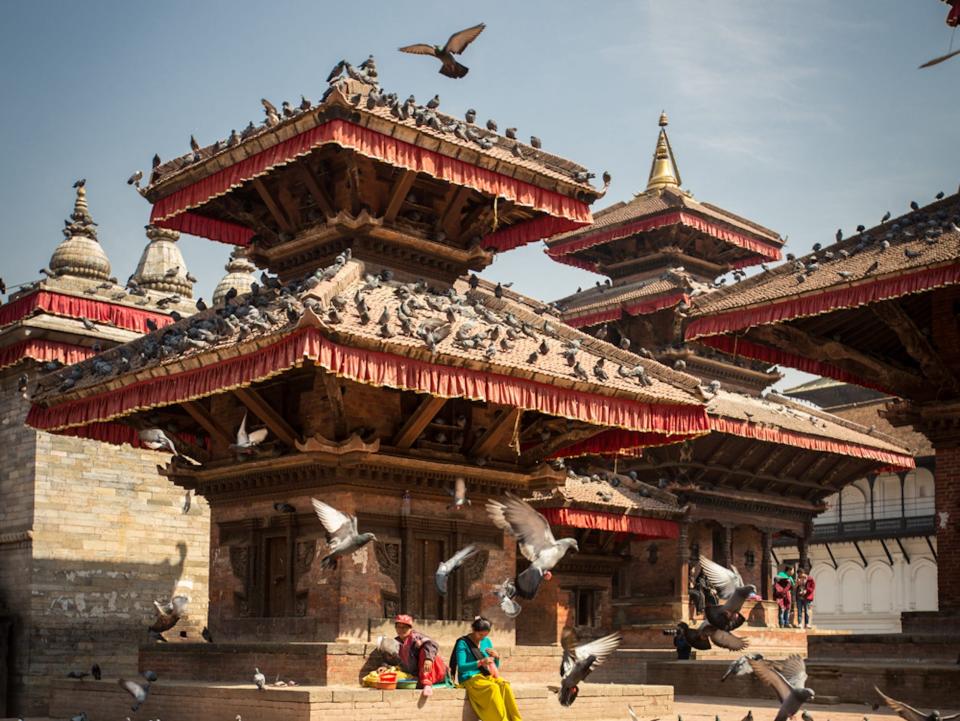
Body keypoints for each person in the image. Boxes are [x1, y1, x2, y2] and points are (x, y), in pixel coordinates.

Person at [451, 616, 522, 721]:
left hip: (486, 675)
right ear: (474, 630)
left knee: (504, 685)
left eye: (485, 635)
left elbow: (492, 668)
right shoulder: (463, 643)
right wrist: (480, 662)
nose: (482, 638)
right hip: (469, 677)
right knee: (493, 688)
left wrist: (496, 658)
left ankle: (515, 719)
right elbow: (461, 668)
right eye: (480, 634)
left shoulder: (486, 641)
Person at [393, 613, 448, 697]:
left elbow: (431, 644)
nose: (401, 630)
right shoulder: (396, 642)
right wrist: (384, 666)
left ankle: (427, 684)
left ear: (410, 628)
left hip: (434, 671)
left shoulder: (416, 637)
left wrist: (428, 659)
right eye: (399, 627)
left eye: (404, 627)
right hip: (415, 674)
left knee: (424, 651)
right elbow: (391, 658)